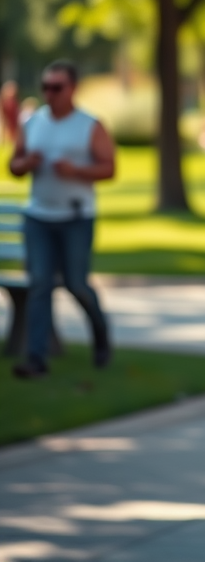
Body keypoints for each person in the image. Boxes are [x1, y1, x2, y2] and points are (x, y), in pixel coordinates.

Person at [9, 60, 115, 379]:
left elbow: (109, 168)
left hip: (75, 216)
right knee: (39, 284)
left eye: (57, 87)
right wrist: (26, 163)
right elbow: (13, 166)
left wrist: (77, 171)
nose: (50, 93)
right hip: (39, 216)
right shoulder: (33, 122)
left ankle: (101, 337)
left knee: (76, 284)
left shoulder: (89, 125)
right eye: (46, 87)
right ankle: (36, 359)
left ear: (72, 88)